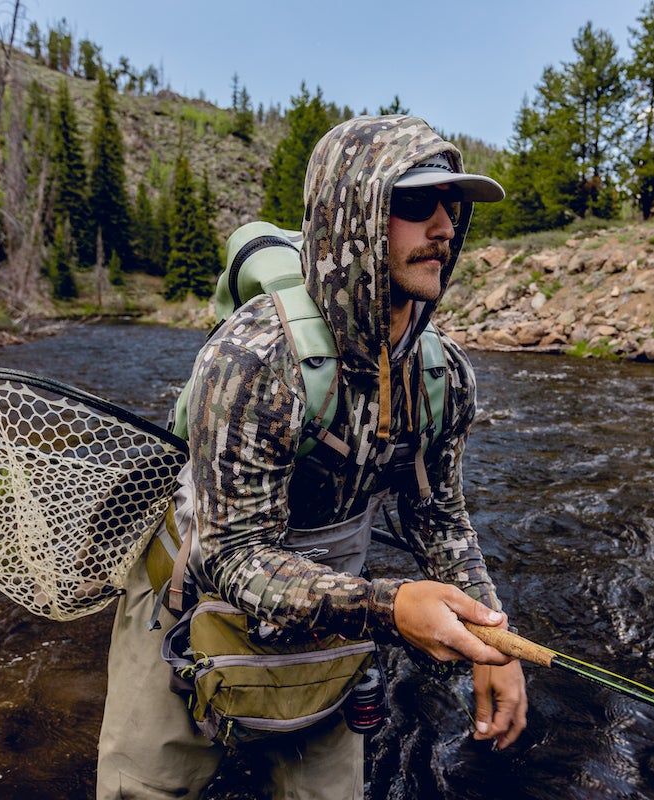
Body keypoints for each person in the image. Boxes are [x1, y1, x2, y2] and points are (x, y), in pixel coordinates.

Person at [96, 115, 527, 799]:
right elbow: (230, 553)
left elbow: (439, 520)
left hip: (333, 617)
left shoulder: (445, 376)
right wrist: (391, 609)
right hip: (188, 597)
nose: (443, 227)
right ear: (350, 215)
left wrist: (493, 638)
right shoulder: (254, 357)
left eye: (453, 206)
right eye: (414, 204)